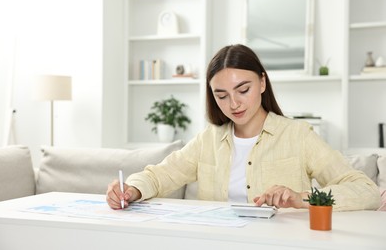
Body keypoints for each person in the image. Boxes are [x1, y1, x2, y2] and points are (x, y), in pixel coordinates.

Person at [106, 44, 381, 211]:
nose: (234, 103)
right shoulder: (208, 141)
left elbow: (364, 190)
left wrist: (302, 198)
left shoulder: (298, 136)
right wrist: (131, 189)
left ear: (262, 83)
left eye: (243, 89)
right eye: (221, 95)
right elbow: (159, 176)